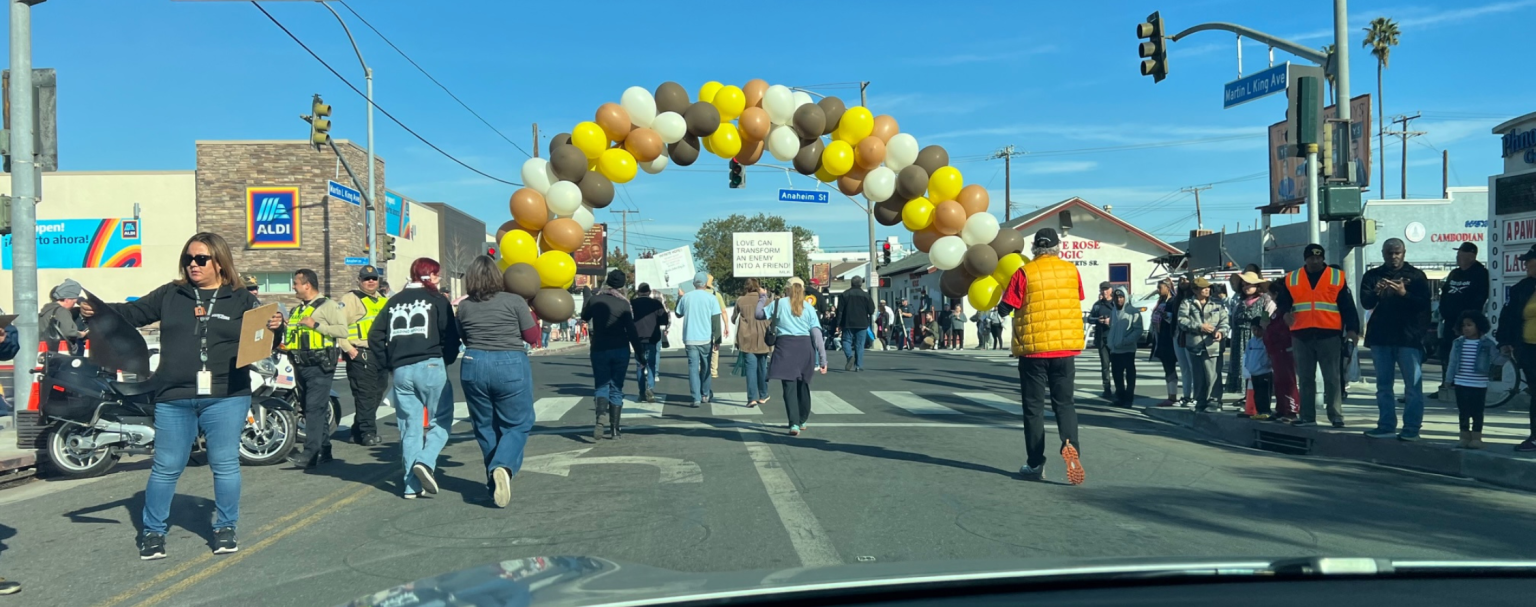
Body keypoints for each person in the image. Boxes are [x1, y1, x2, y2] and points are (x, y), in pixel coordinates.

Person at [80, 233, 281, 560]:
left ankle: (226, 527)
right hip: (174, 394)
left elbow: (265, 338)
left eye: (201, 259)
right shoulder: (171, 294)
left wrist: (276, 326)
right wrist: (97, 310)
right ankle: (153, 532)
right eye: (189, 258)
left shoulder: (240, 298)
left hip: (227, 393)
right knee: (167, 466)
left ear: (219, 262)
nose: (193, 264)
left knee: (225, 463)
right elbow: (131, 314)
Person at [998, 228, 1086, 485]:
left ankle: (1035, 462)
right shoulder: (1071, 271)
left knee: (1034, 408)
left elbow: (1006, 308)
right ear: (1058, 247)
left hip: (1034, 351)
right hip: (1065, 349)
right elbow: (1077, 296)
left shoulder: (1024, 272)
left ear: (1035, 248)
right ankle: (1071, 447)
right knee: (1065, 404)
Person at [369, 257, 461, 499]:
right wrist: (447, 359)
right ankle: (426, 460)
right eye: (437, 275)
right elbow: (450, 334)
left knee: (409, 429)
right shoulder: (437, 300)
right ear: (429, 275)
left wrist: (388, 362)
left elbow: (375, 335)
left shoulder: (394, 301)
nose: (439, 279)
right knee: (440, 421)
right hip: (431, 364)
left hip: (401, 370)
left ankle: (411, 485)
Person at [455, 256, 540, 508]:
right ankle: (502, 465)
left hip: (473, 362)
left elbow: (462, 336)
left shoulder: (465, 306)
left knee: (484, 425)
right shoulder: (514, 301)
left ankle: (493, 481)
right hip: (509, 361)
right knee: (518, 424)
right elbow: (532, 336)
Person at [1272, 243, 1360, 427]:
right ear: (1305, 259)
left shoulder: (1336, 277)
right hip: (1301, 333)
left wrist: (1352, 329)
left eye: (1318, 257)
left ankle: (1335, 415)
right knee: (1305, 377)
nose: (1315, 260)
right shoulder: (1292, 278)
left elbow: (1347, 305)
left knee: (1332, 377)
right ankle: (1307, 416)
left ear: (1323, 258)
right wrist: (1285, 312)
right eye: (1311, 257)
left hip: (1329, 334)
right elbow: (1283, 301)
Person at [1359, 238, 1432, 441]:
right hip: (1381, 338)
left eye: (1397, 252)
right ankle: (1386, 425)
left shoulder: (1416, 276)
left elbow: (1424, 305)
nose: (1393, 256)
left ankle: (1411, 428)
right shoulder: (1373, 276)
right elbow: (1366, 303)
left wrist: (1403, 293)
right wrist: (1376, 292)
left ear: (1404, 252)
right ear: (1383, 253)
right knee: (1383, 386)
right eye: (1389, 253)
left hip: (1408, 339)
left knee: (1413, 387)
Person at [282, 268, 355, 469]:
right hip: (300, 364)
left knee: (314, 407)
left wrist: (316, 325)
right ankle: (324, 448)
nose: (293, 287)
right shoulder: (298, 310)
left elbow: (342, 330)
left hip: (320, 365)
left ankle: (310, 452)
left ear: (307, 285)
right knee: (310, 408)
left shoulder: (327, 306)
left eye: (296, 283)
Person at [755, 278, 827, 435]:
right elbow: (816, 333)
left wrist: (762, 298)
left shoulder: (778, 304)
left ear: (787, 289)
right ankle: (802, 419)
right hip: (805, 347)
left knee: (789, 387)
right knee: (804, 385)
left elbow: (759, 314)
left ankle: (793, 423)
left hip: (785, 347)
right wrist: (823, 358)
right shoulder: (808, 307)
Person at [581, 270, 639, 439]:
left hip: (599, 347)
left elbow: (585, 316)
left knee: (601, 385)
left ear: (607, 281)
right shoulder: (624, 304)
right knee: (616, 387)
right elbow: (631, 330)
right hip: (621, 348)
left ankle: (600, 418)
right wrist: (640, 353)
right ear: (622, 285)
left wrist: (587, 299)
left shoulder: (595, 299)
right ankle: (615, 429)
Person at [339, 265, 390, 446]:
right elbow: (339, 326)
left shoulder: (383, 300)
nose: (370, 281)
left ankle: (357, 430)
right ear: (359, 281)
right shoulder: (350, 299)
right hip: (361, 353)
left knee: (377, 394)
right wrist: (348, 349)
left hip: (381, 355)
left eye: (374, 278)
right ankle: (368, 432)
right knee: (365, 395)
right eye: (366, 278)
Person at [1436, 242, 1490, 399]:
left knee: (1465, 355)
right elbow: (1445, 294)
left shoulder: (1480, 273)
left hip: (1467, 324)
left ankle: (1462, 385)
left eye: (1461, 253)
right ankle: (1446, 383)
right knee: (1447, 353)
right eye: (1458, 253)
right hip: (1450, 322)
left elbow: (1479, 298)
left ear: (1471, 256)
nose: (1457, 256)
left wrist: (1467, 320)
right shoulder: (1454, 274)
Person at [1496, 244, 1536, 453]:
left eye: (1530, 260)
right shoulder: (1522, 288)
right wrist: (1504, 341)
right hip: (1529, 349)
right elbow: (1508, 317)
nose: (1527, 265)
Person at [1447, 311, 1503, 450]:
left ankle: (1477, 438)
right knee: (1463, 411)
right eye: (1463, 325)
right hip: (1461, 382)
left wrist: (1506, 355)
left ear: (1479, 326)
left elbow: (1496, 360)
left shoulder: (1487, 344)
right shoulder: (1458, 343)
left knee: (1477, 411)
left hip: (1479, 383)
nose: (1466, 328)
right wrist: (1448, 380)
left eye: (1470, 325)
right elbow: (1452, 362)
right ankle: (1464, 436)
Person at [1222, 271, 1275, 403]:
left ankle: (1257, 396)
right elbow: (1233, 318)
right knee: (1242, 366)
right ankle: (1247, 394)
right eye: (1244, 284)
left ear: (1257, 286)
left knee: (1257, 365)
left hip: (1256, 337)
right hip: (1239, 337)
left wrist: (1262, 331)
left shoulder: (1265, 299)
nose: (1246, 287)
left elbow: (1266, 316)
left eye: (1249, 285)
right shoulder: (1239, 301)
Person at [1179, 277, 1229, 413]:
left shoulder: (1217, 303)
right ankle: (1201, 400)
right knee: (1198, 375)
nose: (1207, 290)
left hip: (1213, 344)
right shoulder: (1187, 303)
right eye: (1203, 288)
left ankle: (1214, 400)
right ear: (1195, 290)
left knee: (1213, 374)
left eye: (1208, 287)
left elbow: (1225, 320)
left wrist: (1221, 332)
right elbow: (1182, 321)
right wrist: (1199, 326)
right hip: (1195, 344)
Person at [675, 272, 722, 407]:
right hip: (705, 338)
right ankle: (705, 393)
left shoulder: (686, 297)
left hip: (690, 338)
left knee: (693, 368)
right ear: (706, 283)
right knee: (706, 367)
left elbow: (678, 314)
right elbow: (716, 321)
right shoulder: (711, 298)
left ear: (694, 283)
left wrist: (679, 297)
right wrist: (717, 340)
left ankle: (695, 397)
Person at [1264, 280, 1302, 423]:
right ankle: (1281, 408)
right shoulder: (1274, 309)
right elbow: (1265, 323)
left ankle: (1291, 410)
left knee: (1289, 381)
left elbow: (1283, 329)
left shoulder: (1286, 310)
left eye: (1271, 295)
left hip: (1285, 349)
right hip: (1274, 350)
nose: (1270, 297)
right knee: (1279, 381)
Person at [732, 279, 773, 406]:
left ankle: (752, 398)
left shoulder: (740, 300)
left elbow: (734, 319)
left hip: (746, 338)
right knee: (762, 367)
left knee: (750, 369)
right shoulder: (766, 300)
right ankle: (763, 395)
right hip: (763, 337)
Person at [632, 283, 670, 403]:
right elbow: (664, 319)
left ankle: (641, 392)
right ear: (649, 292)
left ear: (638, 292)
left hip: (637, 338)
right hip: (652, 337)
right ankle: (650, 388)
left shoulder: (632, 303)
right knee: (651, 364)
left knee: (639, 366)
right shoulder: (656, 303)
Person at [1105, 287, 1143, 408]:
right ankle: (1120, 397)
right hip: (1115, 349)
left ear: (1125, 298)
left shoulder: (1133, 311)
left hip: (1128, 349)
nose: (1118, 300)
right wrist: (1110, 342)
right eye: (1116, 297)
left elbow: (1138, 330)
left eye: (1121, 297)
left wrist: (1125, 341)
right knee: (1117, 375)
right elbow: (1112, 328)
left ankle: (1129, 399)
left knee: (1130, 375)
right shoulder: (1113, 311)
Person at [835, 276, 875, 371]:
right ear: (861, 284)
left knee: (846, 341)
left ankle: (849, 356)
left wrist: (838, 324)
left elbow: (839, 311)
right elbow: (871, 310)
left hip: (847, 322)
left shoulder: (845, 294)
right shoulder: (866, 295)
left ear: (851, 283)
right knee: (860, 344)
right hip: (862, 323)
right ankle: (858, 365)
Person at [1151, 280, 1180, 407]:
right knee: (1167, 368)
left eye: (1160, 287)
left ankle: (1173, 396)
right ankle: (1170, 395)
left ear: (1168, 288)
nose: (1158, 289)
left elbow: (1175, 319)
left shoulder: (1173, 301)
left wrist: (1165, 315)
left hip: (1169, 339)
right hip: (1160, 338)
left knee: (1171, 367)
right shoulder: (1161, 302)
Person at [39, 278, 87, 354]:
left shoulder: (46, 310)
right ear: (67, 300)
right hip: (60, 351)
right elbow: (68, 332)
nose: (73, 305)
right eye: (74, 302)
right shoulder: (62, 311)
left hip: (44, 350)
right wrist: (81, 334)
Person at [1243, 316, 1274, 421]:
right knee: (1257, 394)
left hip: (1265, 371)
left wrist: (1266, 364)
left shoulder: (1267, 340)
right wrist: (1247, 366)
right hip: (1254, 372)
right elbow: (1247, 355)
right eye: (1254, 329)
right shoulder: (1251, 342)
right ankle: (1259, 411)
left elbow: (1270, 355)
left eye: (1258, 329)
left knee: (1264, 393)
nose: (1256, 332)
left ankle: (1266, 411)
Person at [1089, 281, 1115, 400]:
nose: (1104, 292)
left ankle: (1119, 389)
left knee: (1116, 365)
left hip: (1114, 337)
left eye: (1106, 289)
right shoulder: (1097, 305)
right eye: (1102, 290)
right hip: (1101, 338)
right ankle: (1107, 388)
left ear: (1111, 290)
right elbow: (1089, 318)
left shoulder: (1116, 303)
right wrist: (1097, 320)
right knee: (1105, 365)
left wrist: (1111, 321)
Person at [706, 275, 730, 380]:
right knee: (715, 347)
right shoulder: (717, 295)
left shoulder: (697, 294)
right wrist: (726, 325)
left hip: (702, 323)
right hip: (715, 323)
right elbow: (723, 311)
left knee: (702, 346)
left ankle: (702, 368)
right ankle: (714, 370)